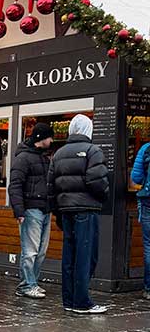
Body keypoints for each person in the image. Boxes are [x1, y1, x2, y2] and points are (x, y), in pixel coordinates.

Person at [47, 114, 109, 314]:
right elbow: (97, 181)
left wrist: (56, 210)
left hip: (66, 210)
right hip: (86, 209)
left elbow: (51, 187)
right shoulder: (93, 150)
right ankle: (82, 301)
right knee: (86, 255)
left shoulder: (58, 154)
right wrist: (103, 196)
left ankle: (69, 299)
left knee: (69, 255)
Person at [8, 122, 54, 298]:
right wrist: (19, 210)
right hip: (31, 208)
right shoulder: (24, 158)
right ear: (41, 138)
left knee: (40, 251)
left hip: (43, 208)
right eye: (49, 136)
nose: (51, 140)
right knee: (30, 250)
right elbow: (15, 185)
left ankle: (31, 281)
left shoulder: (43, 157)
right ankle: (27, 284)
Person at [130, 137, 150, 298]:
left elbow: (136, 177)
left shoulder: (146, 149)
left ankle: (149, 288)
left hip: (148, 201)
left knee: (149, 245)